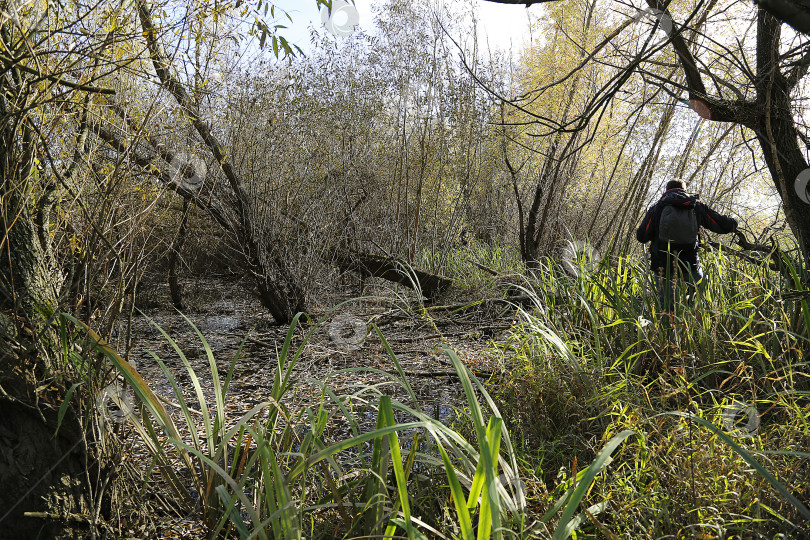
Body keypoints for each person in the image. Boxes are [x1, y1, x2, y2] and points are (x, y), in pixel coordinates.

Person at [636, 180, 737, 311]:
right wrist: (734, 222)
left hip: (663, 265)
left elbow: (642, 236)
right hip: (690, 265)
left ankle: (669, 328)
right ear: (685, 190)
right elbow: (722, 225)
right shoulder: (695, 206)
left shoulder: (657, 207)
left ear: (666, 190)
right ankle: (694, 324)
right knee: (699, 299)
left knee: (667, 309)